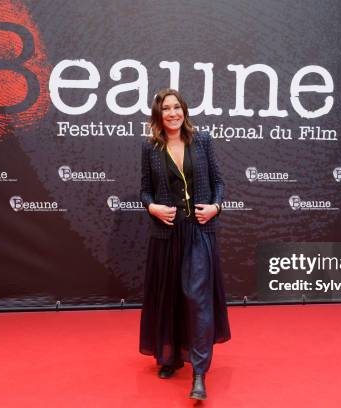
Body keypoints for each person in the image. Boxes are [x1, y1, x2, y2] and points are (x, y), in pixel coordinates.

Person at [139, 88, 231, 400]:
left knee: (197, 299)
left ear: (184, 110)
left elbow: (219, 183)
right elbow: (145, 191)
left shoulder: (202, 141)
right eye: (166, 109)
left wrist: (216, 206)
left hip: (198, 233)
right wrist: (152, 207)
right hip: (167, 235)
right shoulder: (150, 147)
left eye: (177, 107)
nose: (173, 113)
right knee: (170, 298)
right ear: (158, 114)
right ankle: (171, 357)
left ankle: (200, 372)